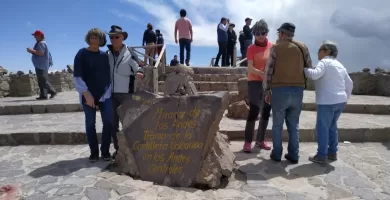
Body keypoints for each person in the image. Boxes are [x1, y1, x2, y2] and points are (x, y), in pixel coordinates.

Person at [264, 22, 313, 163]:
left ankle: (277, 154)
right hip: (298, 90)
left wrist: (267, 90)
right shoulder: (303, 47)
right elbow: (309, 67)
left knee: (277, 124)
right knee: (293, 125)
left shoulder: (276, 48)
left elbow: (269, 71)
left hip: (280, 90)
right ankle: (294, 154)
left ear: (282, 33)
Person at [304, 40, 353, 164]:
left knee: (322, 128)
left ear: (327, 51)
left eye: (320, 50)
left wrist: (304, 69)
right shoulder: (340, 65)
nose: (318, 53)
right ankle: (332, 152)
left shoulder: (324, 62)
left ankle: (321, 155)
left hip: (327, 101)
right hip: (340, 101)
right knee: (332, 127)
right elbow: (349, 83)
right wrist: (346, 97)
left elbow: (315, 75)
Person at [73, 28, 112, 162]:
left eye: (97, 37)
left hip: (104, 95)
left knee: (108, 122)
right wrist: (87, 95)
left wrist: (105, 94)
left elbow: (108, 77)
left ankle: (105, 151)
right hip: (87, 94)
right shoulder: (81, 54)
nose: (94, 39)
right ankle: (94, 152)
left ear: (101, 40)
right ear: (88, 38)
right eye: (92, 37)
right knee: (90, 124)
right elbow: (77, 75)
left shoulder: (104, 56)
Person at [106, 25, 145, 159]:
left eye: (116, 37)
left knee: (128, 123)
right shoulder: (108, 54)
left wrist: (139, 72)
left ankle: (134, 150)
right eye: (111, 37)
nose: (114, 39)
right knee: (113, 125)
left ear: (122, 37)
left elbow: (140, 67)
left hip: (126, 95)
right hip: (111, 95)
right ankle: (119, 150)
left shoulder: (130, 53)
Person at [242, 19, 273, 153]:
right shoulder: (251, 48)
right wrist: (262, 74)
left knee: (266, 111)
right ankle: (248, 141)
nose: (260, 35)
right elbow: (250, 67)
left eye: (263, 32)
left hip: (269, 83)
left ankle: (261, 140)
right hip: (254, 82)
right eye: (257, 33)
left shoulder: (273, 47)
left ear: (267, 33)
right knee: (254, 110)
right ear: (254, 33)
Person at [27, 30, 57, 100]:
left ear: (40, 36)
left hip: (41, 65)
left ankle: (53, 91)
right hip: (40, 65)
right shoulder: (40, 43)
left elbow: (41, 53)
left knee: (42, 80)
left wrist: (31, 50)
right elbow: (39, 53)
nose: (34, 37)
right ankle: (43, 95)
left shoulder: (41, 43)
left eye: (35, 35)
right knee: (41, 81)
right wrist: (32, 52)